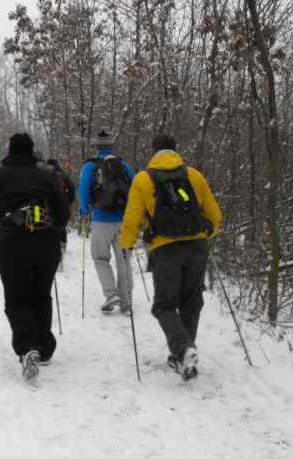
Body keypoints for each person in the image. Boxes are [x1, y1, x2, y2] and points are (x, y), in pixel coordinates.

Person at [0, 133, 70, 381]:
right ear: (32, 151)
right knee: (41, 295)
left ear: (10, 150)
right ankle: (44, 347)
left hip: (12, 244)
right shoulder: (45, 175)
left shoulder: (0, 176)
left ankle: (27, 348)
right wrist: (54, 228)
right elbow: (64, 213)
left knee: (16, 298)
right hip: (46, 243)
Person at [119, 134, 221, 380]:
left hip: (165, 250)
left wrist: (126, 245)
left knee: (164, 305)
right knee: (191, 302)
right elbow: (215, 216)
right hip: (197, 246)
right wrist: (206, 233)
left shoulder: (143, 179)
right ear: (176, 150)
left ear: (153, 151)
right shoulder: (194, 176)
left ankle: (183, 350)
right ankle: (184, 356)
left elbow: (132, 219)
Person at [77, 130, 135, 314]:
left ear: (96, 146)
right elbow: (135, 188)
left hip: (101, 219)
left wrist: (84, 211)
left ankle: (111, 294)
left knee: (100, 258)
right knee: (124, 260)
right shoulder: (124, 166)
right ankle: (126, 302)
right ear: (111, 146)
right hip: (123, 220)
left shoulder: (90, 166)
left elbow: (83, 190)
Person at [46, 158, 76, 250]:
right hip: (62, 204)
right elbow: (72, 188)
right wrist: (68, 201)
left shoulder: (45, 174)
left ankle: (51, 244)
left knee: (49, 224)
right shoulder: (63, 174)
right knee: (61, 225)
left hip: (49, 204)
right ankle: (62, 245)